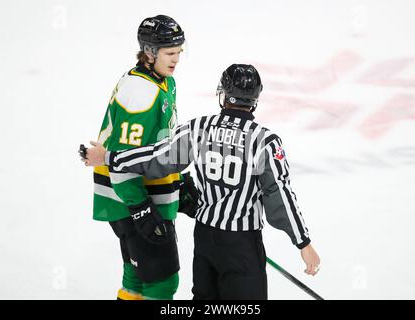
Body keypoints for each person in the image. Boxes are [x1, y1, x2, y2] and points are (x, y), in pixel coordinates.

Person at [83, 64, 321, 300]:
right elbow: (279, 194)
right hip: (242, 245)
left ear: (223, 95)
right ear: (255, 99)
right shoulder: (265, 141)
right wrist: (303, 243)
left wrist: (108, 157)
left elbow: (155, 158)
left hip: (206, 239)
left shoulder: (199, 128)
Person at [88, 15, 189, 300]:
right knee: (163, 283)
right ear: (149, 52)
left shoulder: (159, 80)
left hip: (137, 196)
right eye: (170, 53)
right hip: (132, 198)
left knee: (136, 276)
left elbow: (157, 143)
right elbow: (123, 159)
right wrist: (141, 208)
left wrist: (177, 181)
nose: (177, 59)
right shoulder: (140, 92)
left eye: (179, 52)